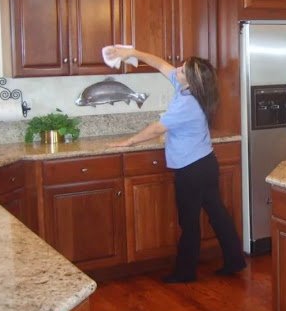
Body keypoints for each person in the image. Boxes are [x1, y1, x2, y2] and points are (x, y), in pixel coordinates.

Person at [105, 47, 246, 283]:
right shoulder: (189, 88)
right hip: (205, 163)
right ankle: (235, 260)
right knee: (217, 213)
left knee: (189, 222)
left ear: (190, 80)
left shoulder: (188, 103)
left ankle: (185, 272)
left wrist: (128, 142)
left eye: (182, 69)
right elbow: (160, 63)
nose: (177, 69)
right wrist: (132, 52)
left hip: (192, 169)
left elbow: (157, 128)